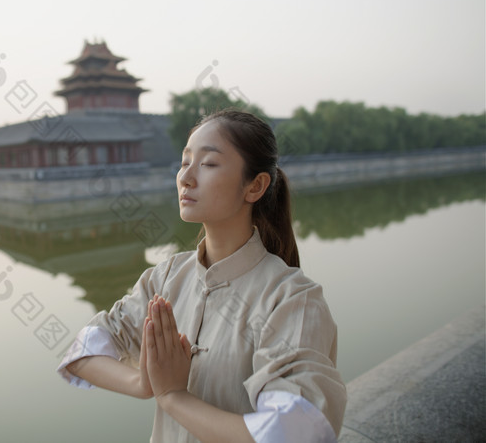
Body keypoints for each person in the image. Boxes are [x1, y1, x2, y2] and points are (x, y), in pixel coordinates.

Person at [57, 109, 346, 442]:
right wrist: (144, 383)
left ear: (255, 186)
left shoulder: (292, 299)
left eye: (207, 164)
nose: (186, 178)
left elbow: (292, 432)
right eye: (184, 163)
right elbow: (82, 353)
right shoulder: (165, 278)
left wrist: (173, 397)